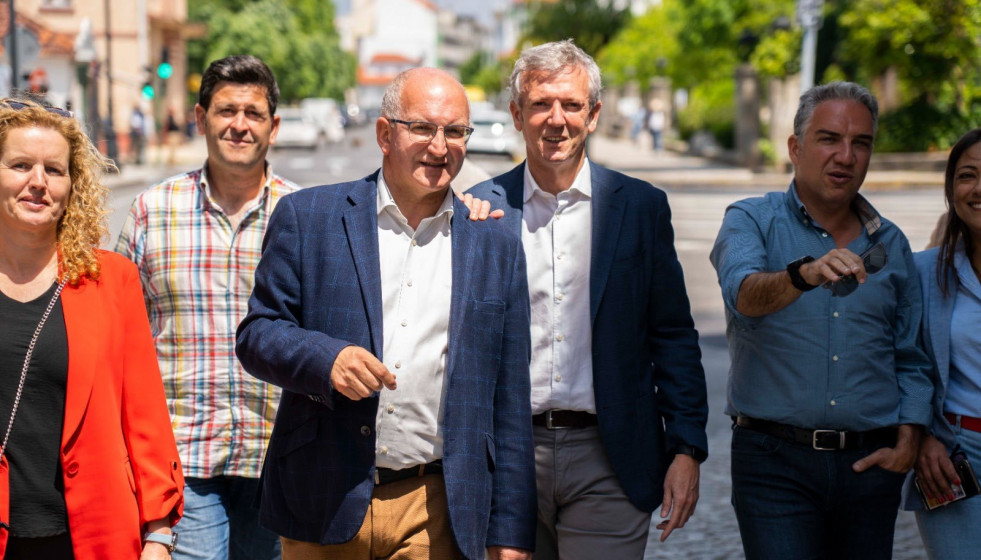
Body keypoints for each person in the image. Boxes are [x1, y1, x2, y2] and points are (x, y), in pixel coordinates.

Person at [235, 67, 536, 560]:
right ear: (384, 134)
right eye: (422, 128)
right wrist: (325, 359)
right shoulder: (308, 217)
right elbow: (258, 335)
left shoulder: (495, 242)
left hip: (435, 507)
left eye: (455, 132)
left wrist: (510, 532)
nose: (440, 147)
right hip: (324, 498)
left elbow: (508, 400)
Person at [466, 40, 708, 559]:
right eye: (540, 104)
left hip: (611, 456)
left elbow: (672, 334)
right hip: (508, 453)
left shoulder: (640, 208)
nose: (556, 120)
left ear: (593, 114)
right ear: (516, 114)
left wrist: (686, 447)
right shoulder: (481, 210)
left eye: (572, 105)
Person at [709, 81, 934, 559]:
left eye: (862, 143)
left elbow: (911, 355)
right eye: (830, 139)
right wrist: (803, 274)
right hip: (773, 462)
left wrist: (909, 438)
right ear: (795, 147)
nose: (846, 156)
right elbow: (743, 295)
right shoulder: (750, 220)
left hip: (870, 467)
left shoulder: (891, 244)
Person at [115, 55, 298, 560]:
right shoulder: (153, 211)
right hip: (182, 456)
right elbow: (121, 335)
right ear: (200, 119)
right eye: (225, 110)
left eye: (253, 113)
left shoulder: (304, 215)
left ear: (273, 126)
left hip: (276, 454)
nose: (239, 124)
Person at [0, 98, 183, 558]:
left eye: (54, 170)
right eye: (20, 165)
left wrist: (159, 533)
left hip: (90, 534)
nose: (38, 182)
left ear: (73, 184)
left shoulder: (111, 279)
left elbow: (144, 416)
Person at [900, 128, 981, 559]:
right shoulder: (925, 272)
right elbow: (905, 362)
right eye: (967, 175)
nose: (979, 188)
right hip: (952, 458)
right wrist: (924, 433)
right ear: (951, 190)